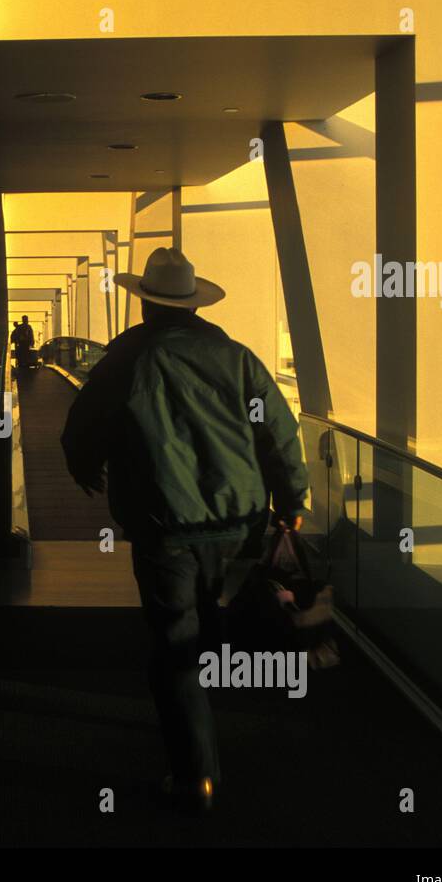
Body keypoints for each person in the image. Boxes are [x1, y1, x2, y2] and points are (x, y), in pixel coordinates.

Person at [60, 247, 308, 814]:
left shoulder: (126, 358)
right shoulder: (238, 358)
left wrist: (85, 465)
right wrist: (292, 500)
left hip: (163, 524)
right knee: (221, 623)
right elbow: (279, 433)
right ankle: (248, 729)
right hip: (239, 523)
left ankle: (196, 774)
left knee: (175, 643)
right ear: (195, 305)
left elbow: (83, 426)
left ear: (145, 303)